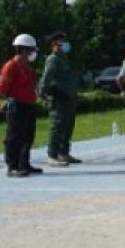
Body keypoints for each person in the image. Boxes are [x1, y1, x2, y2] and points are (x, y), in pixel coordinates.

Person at [0, 33, 42, 177]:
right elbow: (2, 87)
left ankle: (24, 163)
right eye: (31, 50)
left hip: (28, 105)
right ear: (23, 50)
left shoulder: (26, 67)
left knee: (28, 135)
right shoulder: (11, 66)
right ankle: (12, 166)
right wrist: (8, 99)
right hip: (16, 105)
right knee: (14, 136)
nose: (33, 53)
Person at [40, 31, 82, 166]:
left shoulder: (63, 58)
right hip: (59, 98)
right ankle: (52, 154)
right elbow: (47, 77)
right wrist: (43, 92)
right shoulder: (53, 59)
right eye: (62, 42)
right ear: (55, 44)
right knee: (57, 126)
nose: (65, 44)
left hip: (69, 97)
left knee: (68, 125)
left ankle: (63, 152)